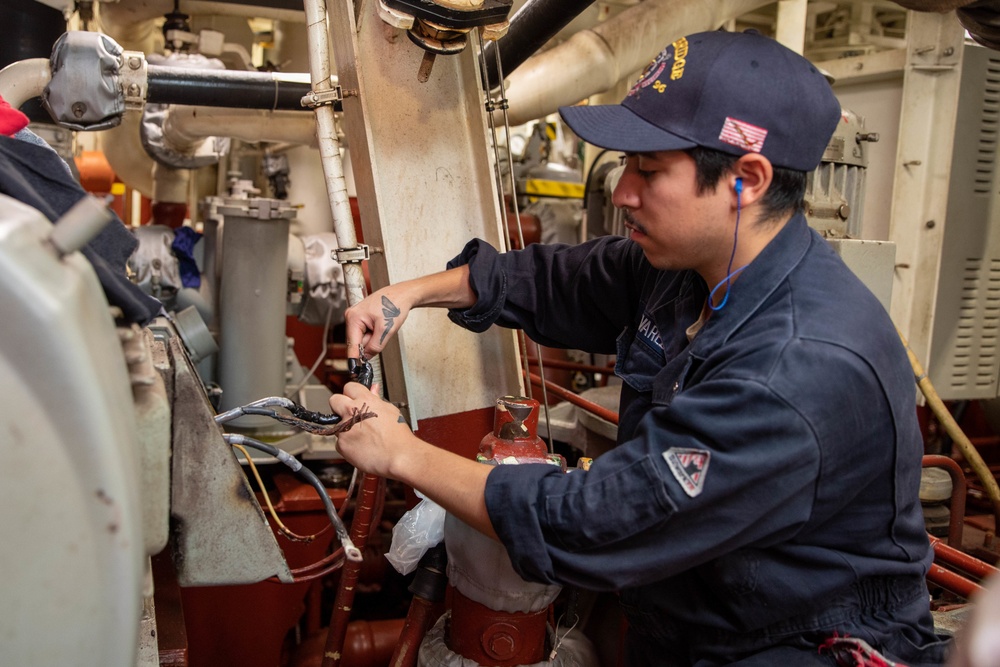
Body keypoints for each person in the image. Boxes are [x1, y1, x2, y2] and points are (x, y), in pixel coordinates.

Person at [329, 30, 949, 666]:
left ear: (747, 180)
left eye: (649, 171)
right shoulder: (692, 265)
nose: (623, 192)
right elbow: (559, 281)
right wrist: (408, 294)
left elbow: (595, 523)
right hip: (680, 625)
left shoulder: (797, 365)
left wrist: (401, 453)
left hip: (785, 648)